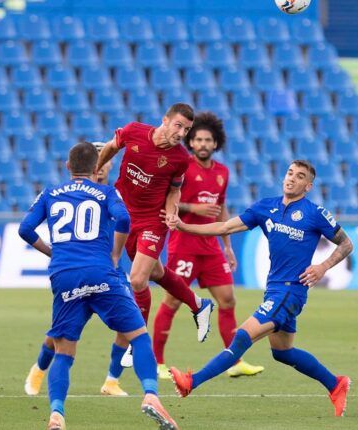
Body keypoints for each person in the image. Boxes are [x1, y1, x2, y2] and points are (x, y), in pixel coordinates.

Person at [166, 160, 353, 417]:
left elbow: (346, 244)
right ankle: (335, 383)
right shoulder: (266, 207)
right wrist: (184, 226)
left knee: (242, 336)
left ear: (308, 186)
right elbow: (225, 226)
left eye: (299, 177)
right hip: (274, 288)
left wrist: (323, 266)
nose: (291, 179)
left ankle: (192, 381)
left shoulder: (315, 213)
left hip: (291, 290)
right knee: (283, 352)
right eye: (289, 173)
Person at [19, 142, 178, 430]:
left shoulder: (50, 193)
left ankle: (56, 413)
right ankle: (151, 395)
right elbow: (125, 218)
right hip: (102, 272)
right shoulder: (106, 192)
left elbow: (24, 229)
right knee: (139, 336)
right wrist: (115, 254)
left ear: (67, 167)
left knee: (64, 352)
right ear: (96, 168)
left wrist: (52, 252)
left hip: (65, 275)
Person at [153, 112, 264, 380]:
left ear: (216, 144)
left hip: (211, 247)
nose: (203, 144)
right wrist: (194, 208)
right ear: (191, 142)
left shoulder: (222, 173)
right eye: (198, 139)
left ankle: (234, 360)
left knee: (228, 300)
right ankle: (157, 363)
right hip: (184, 246)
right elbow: (166, 201)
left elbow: (221, 210)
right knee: (173, 300)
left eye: (208, 140)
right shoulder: (182, 166)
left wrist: (227, 246)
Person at [95, 103, 214, 345]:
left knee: (138, 279)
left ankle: (136, 340)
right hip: (124, 217)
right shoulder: (133, 131)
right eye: (179, 126)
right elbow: (110, 147)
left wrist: (171, 213)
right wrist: (93, 171)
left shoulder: (180, 159)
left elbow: (174, 192)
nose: (181, 133)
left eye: (186, 129)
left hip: (153, 220)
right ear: (165, 120)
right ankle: (199, 305)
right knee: (157, 272)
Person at [23, 142, 132, 397]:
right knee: (61, 332)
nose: (102, 166)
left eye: (107, 161)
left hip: (108, 269)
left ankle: (111, 381)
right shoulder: (66, 194)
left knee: (127, 324)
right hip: (76, 267)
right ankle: (39, 369)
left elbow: (125, 224)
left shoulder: (114, 194)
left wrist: (117, 254)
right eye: (99, 160)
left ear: (110, 164)